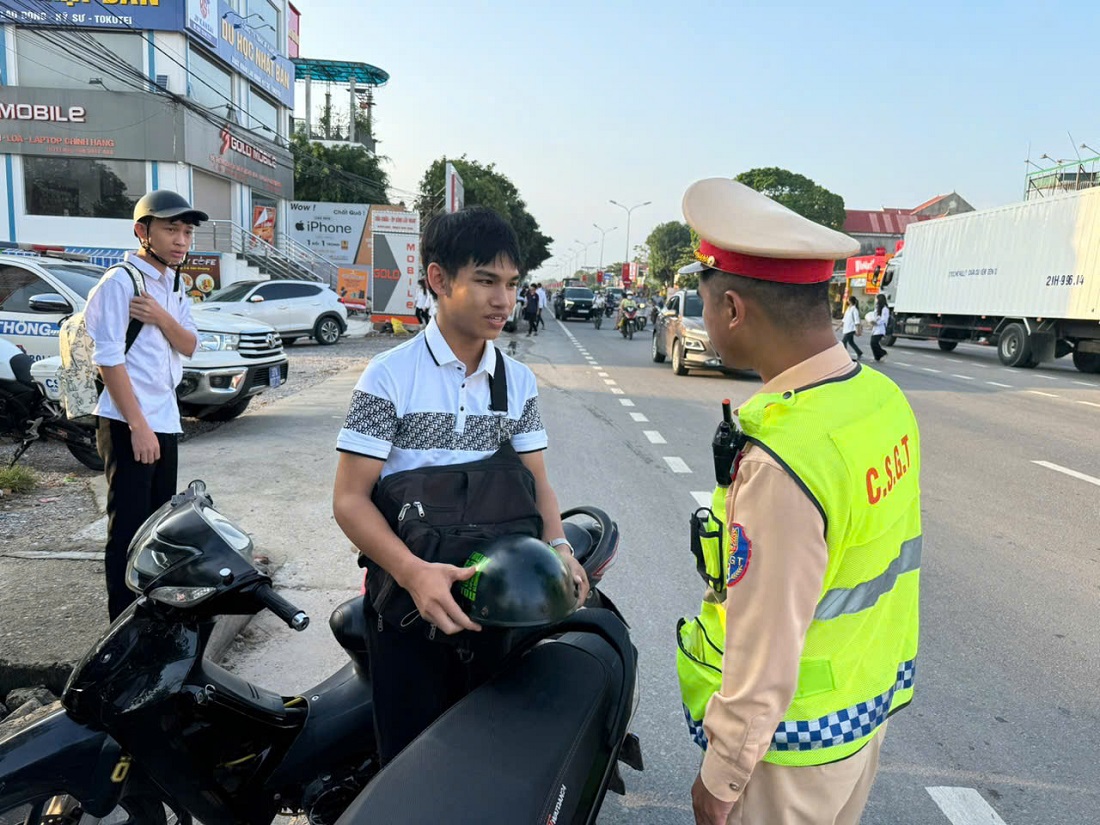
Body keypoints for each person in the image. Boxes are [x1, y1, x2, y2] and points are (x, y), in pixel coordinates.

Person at [676, 178, 921, 825]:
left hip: (787, 756)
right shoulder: (880, 400)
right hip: (860, 724)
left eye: (704, 304)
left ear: (732, 308)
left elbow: (764, 644)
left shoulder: (784, 461)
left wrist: (723, 776)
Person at [332, 206, 589, 765]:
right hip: (409, 609)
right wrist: (414, 574)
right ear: (439, 280)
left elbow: (537, 481)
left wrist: (561, 547)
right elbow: (349, 501)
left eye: (512, 284)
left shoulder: (516, 382)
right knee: (411, 766)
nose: (504, 300)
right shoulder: (389, 376)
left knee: (492, 758)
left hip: (500, 611)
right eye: (486, 281)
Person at [84, 191, 205, 620]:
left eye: (187, 231)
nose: (181, 240)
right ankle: (120, 627)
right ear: (143, 231)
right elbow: (108, 360)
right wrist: (138, 426)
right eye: (171, 228)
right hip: (128, 421)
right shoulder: (120, 282)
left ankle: (149, 617)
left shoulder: (173, 284)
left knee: (157, 531)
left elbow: (189, 344)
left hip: (164, 419)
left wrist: (160, 316)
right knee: (128, 531)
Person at [841, 295, 863, 361]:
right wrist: (839, 326)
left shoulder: (854, 310)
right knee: (851, 342)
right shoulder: (848, 309)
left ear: (850, 301)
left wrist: (858, 330)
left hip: (851, 328)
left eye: (848, 299)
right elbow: (844, 319)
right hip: (847, 328)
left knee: (843, 341)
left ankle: (844, 356)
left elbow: (857, 321)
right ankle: (859, 352)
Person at [871, 293, 890, 362]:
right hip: (875, 328)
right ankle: (877, 357)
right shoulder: (877, 308)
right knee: (873, 343)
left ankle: (883, 353)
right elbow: (875, 316)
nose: (876, 300)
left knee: (873, 342)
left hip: (880, 328)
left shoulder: (885, 309)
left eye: (877, 299)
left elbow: (884, 319)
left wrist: (877, 322)